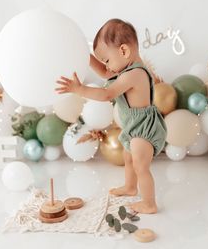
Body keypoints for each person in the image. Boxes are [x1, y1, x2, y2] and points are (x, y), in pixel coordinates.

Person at [55, 19, 167, 214]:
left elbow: (107, 95)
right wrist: (85, 53)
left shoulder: (135, 74)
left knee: (141, 166)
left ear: (124, 51)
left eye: (107, 59)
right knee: (128, 157)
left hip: (143, 128)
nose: (106, 66)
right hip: (133, 126)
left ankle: (149, 204)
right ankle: (130, 187)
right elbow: (105, 72)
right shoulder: (124, 68)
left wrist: (79, 89)